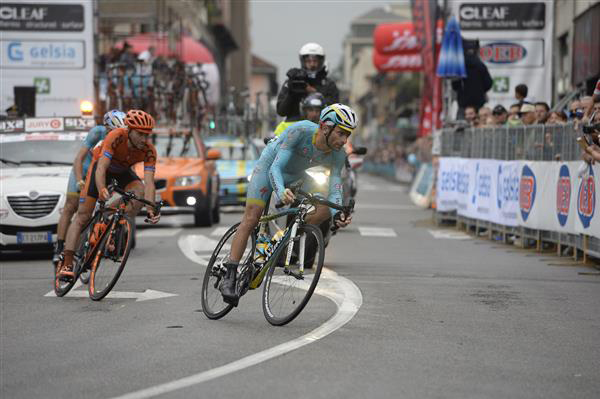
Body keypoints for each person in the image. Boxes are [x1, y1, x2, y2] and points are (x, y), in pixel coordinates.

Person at [219, 103, 357, 304]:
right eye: (341, 133)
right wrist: (281, 191)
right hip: (270, 169)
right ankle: (230, 273)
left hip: (298, 175)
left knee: (326, 207)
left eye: (348, 135)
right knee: (251, 218)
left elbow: (335, 186)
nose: (344, 140)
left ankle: (286, 237)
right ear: (325, 127)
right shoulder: (300, 131)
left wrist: (339, 214)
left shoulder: (338, 154)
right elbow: (276, 167)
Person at [57, 110, 161, 278]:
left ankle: (111, 219)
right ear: (129, 130)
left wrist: (151, 207)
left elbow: (149, 182)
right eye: (140, 134)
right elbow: (101, 168)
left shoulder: (149, 150)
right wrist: (101, 189)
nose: (144, 139)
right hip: (100, 170)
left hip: (123, 172)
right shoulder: (116, 136)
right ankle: (67, 262)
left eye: (147, 135)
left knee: (139, 192)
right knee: (82, 216)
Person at [53, 110, 127, 266]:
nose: (114, 134)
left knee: (97, 209)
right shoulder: (97, 132)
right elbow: (79, 159)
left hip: (99, 173)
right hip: (83, 171)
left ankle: (88, 244)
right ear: (107, 127)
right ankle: (59, 247)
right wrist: (79, 179)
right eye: (111, 130)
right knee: (71, 206)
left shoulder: (121, 138)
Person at [276, 43, 339, 125]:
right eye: (308, 61)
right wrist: (291, 94)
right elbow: (281, 111)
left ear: (321, 62)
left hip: (320, 130)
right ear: (303, 62)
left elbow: (335, 112)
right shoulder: (293, 82)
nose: (312, 64)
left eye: (315, 61)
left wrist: (314, 93)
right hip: (293, 132)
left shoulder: (329, 84)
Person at [451, 38, 493, 120]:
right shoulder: (481, 66)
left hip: (463, 107)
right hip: (479, 106)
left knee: (462, 129)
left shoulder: (459, 67)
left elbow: (455, 85)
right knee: (481, 130)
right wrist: (480, 90)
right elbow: (489, 83)